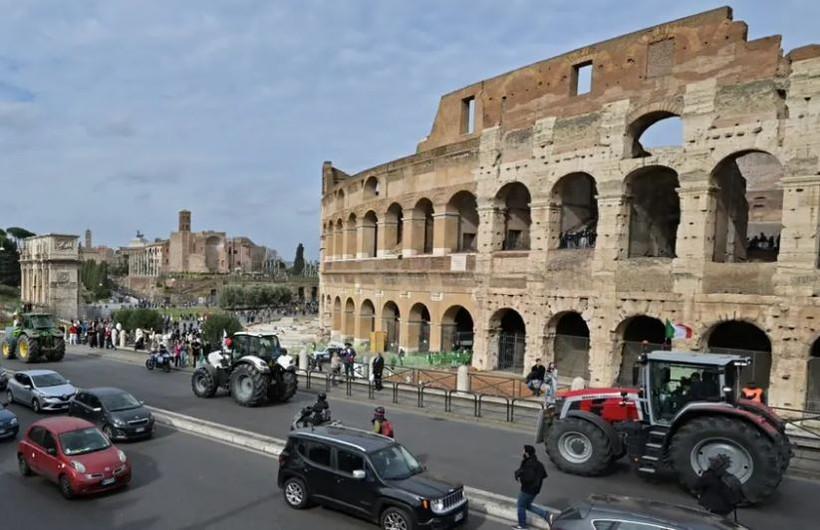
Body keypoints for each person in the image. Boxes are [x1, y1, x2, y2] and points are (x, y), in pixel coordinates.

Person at [694, 454, 744, 518]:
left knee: (708, 520)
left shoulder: (709, 475)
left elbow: (696, 485)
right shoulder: (729, 476)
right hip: (727, 507)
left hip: (712, 506)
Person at [513, 445, 550, 529]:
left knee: (521, 506)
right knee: (526, 505)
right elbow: (544, 475)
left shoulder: (529, 464)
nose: (522, 452)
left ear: (527, 453)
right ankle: (546, 515)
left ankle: (522, 525)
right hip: (535, 489)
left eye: (523, 451)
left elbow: (528, 477)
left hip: (527, 489)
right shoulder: (538, 463)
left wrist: (520, 479)